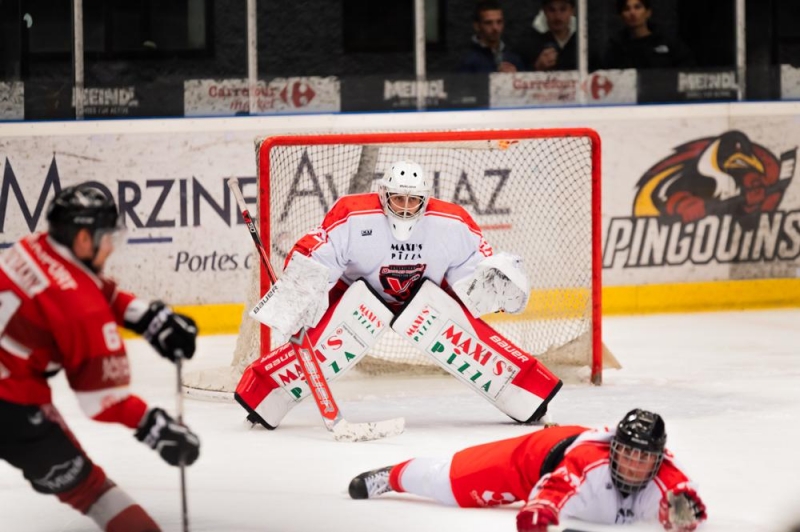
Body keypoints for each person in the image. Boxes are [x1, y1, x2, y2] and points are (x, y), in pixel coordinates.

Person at [235, 160, 562, 430]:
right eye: (398, 199)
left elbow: (470, 272)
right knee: (326, 342)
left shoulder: (451, 223)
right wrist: (301, 290)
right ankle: (262, 394)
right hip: (355, 293)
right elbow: (321, 252)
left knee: (463, 336)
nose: (405, 208)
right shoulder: (353, 215)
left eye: (413, 200)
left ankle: (529, 392)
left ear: (425, 198)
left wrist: (493, 281)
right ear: (384, 195)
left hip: (425, 296)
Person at [0, 183, 201, 532]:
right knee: (91, 491)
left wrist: (145, 317)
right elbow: (101, 400)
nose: (110, 246)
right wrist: (153, 425)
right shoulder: (81, 310)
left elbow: (82, 284)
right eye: (105, 237)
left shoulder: (32, 246)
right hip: (11, 406)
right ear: (82, 238)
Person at [349, 409, 707, 532]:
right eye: (626, 452)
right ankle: (391, 476)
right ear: (614, 447)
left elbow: (684, 503)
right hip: (535, 461)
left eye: (642, 458)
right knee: (449, 484)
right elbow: (550, 495)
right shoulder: (588, 463)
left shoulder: (666, 479)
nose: (631, 464)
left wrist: (683, 516)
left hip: (569, 456)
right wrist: (540, 515)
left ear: (657, 459)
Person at [605, 0, 695, 70]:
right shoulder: (616, 47)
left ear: (648, 12)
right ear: (621, 16)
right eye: (626, 9)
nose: (632, 13)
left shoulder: (668, 41)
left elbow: (687, 68)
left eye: (637, 7)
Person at [459, 0, 525, 74]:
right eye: (488, 23)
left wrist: (516, 76)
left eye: (499, 22)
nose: (495, 28)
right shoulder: (468, 61)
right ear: (477, 26)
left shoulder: (513, 59)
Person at [519, 0, 577, 72]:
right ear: (544, 11)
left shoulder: (583, 39)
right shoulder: (529, 42)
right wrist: (537, 67)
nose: (557, 16)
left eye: (563, 10)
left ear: (572, 11)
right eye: (551, 10)